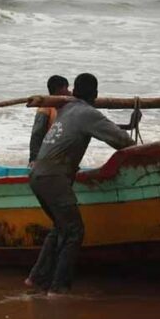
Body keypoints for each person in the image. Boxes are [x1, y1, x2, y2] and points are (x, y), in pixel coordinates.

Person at [25, 73, 141, 296]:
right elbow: (122, 141)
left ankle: (36, 278)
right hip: (54, 178)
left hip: (37, 175)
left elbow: (101, 127)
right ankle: (58, 289)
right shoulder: (87, 113)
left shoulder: (67, 108)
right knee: (74, 231)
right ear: (95, 94)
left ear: (74, 91)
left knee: (60, 227)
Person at [29, 75, 71, 167]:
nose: (69, 92)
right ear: (61, 89)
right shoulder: (45, 107)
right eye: (67, 88)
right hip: (49, 153)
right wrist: (34, 159)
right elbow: (37, 133)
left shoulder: (69, 105)